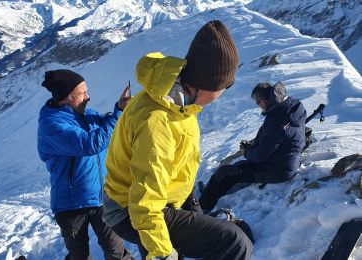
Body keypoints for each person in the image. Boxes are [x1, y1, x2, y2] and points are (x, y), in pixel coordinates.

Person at [102, 20, 253, 260]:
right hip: (131, 211)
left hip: (153, 201)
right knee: (234, 242)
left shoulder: (177, 103)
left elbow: (174, 164)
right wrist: (162, 254)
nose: (224, 92)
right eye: (226, 85)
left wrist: (189, 202)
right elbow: (144, 203)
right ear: (207, 85)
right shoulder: (158, 121)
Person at [37, 69, 132, 260]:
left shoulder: (86, 114)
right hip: (71, 204)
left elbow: (109, 124)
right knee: (79, 256)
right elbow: (90, 144)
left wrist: (120, 108)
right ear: (66, 97)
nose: (88, 97)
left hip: (101, 198)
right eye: (83, 93)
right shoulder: (52, 125)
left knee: (116, 251)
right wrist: (118, 114)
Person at [198, 82, 307, 213]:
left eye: (258, 103)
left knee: (225, 173)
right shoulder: (293, 108)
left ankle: (203, 206)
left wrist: (247, 152)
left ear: (265, 101)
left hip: (277, 171)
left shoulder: (276, 122)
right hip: (286, 162)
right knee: (238, 168)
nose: (258, 106)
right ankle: (213, 191)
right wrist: (255, 147)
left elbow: (260, 156)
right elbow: (277, 140)